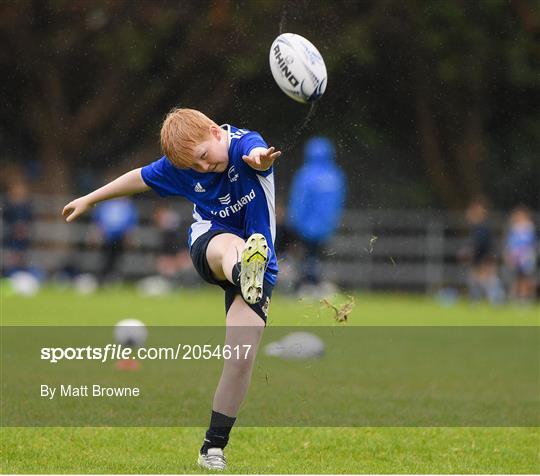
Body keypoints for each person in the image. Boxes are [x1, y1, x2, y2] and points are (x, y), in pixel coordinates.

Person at [62, 108, 281, 471]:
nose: (202, 168)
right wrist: (90, 199)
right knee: (230, 246)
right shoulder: (185, 164)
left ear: (214, 131)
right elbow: (139, 178)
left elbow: (256, 155)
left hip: (262, 263)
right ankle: (244, 270)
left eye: (205, 158)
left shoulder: (245, 144)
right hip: (210, 244)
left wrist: (260, 160)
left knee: (241, 357)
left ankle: (213, 447)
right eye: (193, 166)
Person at [287, 137, 345, 295]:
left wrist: (294, 220)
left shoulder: (305, 174)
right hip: (327, 226)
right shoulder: (335, 175)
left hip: (306, 226)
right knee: (320, 257)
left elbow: (299, 201)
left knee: (307, 256)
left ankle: (306, 286)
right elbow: (338, 202)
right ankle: (317, 284)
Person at [459, 198, 504, 304]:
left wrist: (469, 251)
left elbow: (481, 243)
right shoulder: (479, 227)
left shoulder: (482, 227)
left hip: (485, 256)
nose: (468, 214)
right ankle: (478, 300)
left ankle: (496, 299)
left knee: (487, 279)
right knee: (478, 278)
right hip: (483, 256)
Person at [92, 196, 138, 283]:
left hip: (120, 237)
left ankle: (113, 278)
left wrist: (129, 237)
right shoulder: (106, 204)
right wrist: (97, 234)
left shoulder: (128, 206)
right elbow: (98, 221)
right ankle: (103, 278)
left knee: (117, 259)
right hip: (107, 237)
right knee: (105, 259)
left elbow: (130, 224)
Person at [504, 206, 537, 302]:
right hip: (515, 257)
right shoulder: (514, 228)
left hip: (526, 256)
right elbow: (509, 243)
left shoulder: (529, 227)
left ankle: (525, 298)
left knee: (526, 278)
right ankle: (515, 298)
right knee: (516, 278)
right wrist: (509, 255)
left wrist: (528, 254)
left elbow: (532, 242)